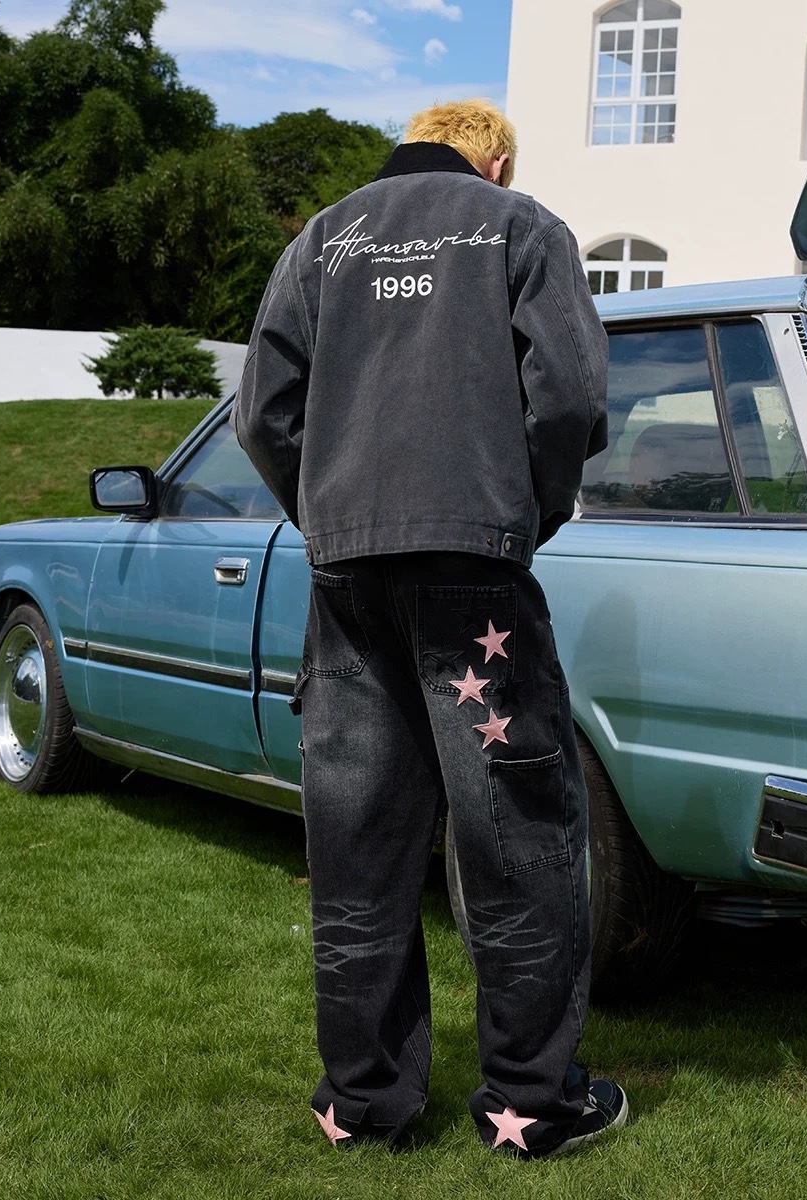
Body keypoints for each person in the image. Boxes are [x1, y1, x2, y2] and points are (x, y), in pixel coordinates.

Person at [231, 98, 626, 1159]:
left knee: (357, 839)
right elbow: (570, 396)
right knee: (516, 834)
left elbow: (261, 412)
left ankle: (363, 1105)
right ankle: (533, 1105)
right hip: (475, 572)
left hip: (347, 576)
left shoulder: (322, 240)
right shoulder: (520, 225)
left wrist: (332, 516)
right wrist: (528, 511)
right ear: (495, 161)